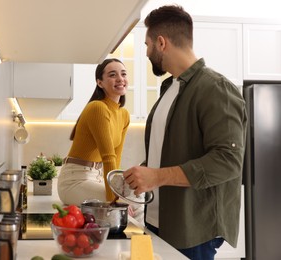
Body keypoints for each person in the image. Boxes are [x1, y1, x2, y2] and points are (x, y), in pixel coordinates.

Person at [123, 5, 247, 260]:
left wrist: (156, 176)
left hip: (192, 229)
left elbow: (228, 162)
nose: (146, 53)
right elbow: (171, 152)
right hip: (159, 221)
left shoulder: (216, 88)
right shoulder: (170, 89)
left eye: (147, 45)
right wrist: (142, 174)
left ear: (161, 42)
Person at [57, 58, 130, 205]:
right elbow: (108, 157)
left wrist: (118, 190)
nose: (120, 79)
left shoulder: (124, 115)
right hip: (74, 180)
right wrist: (114, 199)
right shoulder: (97, 108)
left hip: (96, 177)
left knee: (134, 197)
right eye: (112, 75)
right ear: (99, 82)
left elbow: (116, 158)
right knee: (128, 203)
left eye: (123, 74)